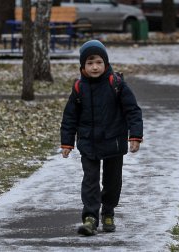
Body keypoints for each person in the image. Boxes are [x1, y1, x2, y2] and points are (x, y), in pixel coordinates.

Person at [60, 40, 143, 236]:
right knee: (90, 180)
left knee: (112, 181)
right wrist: (67, 142)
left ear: (105, 63)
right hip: (88, 142)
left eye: (98, 62)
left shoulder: (117, 84)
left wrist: (135, 135)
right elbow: (70, 117)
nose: (94, 67)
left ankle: (108, 212)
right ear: (82, 66)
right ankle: (90, 218)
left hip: (114, 140)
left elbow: (132, 110)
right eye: (89, 63)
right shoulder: (79, 88)